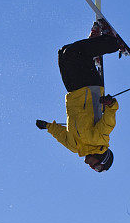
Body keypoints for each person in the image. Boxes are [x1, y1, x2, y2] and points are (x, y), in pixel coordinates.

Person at [36, 20, 123, 172]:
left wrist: (47, 126)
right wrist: (110, 104)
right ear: (103, 158)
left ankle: (94, 47)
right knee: (73, 53)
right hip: (90, 89)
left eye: (94, 169)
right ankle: (112, 43)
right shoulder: (99, 140)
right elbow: (109, 122)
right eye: (97, 167)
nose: (92, 166)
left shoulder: (74, 147)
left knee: (63, 54)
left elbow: (60, 134)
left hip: (73, 94)